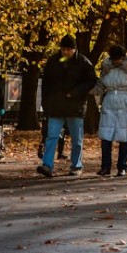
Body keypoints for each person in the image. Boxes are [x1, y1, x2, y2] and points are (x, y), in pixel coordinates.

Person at [37, 34, 97, 178]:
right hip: (56, 106)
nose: (65, 52)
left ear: (74, 50)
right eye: (63, 49)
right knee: (51, 136)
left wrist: (76, 92)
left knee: (77, 139)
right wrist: (46, 104)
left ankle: (76, 166)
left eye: (68, 50)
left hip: (75, 106)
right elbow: (46, 85)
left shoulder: (83, 62)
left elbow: (91, 81)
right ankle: (47, 165)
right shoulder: (53, 61)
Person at [95, 45, 127, 177]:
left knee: (124, 138)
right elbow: (100, 86)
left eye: (119, 59)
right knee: (106, 137)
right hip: (109, 103)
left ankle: (122, 166)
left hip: (125, 105)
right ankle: (105, 166)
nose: (117, 62)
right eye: (114, 59)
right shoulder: (106, 69)